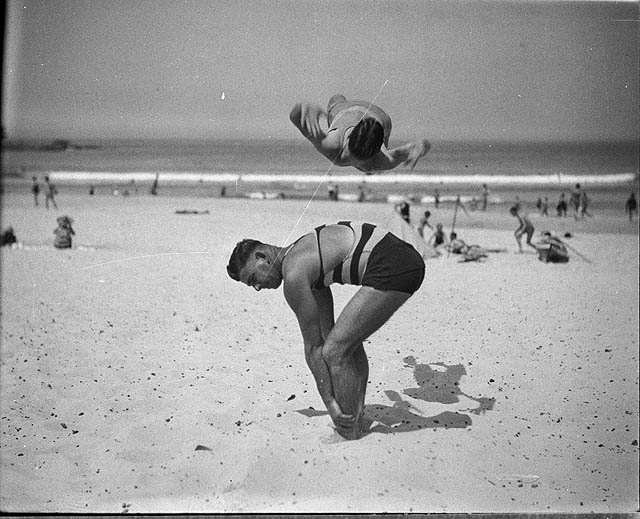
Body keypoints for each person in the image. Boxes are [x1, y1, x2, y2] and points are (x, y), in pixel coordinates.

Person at [226, 221, 425, 440]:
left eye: (254, 278)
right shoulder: (302, 255)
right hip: (403, 258)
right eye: (251, 285)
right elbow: (325, 334)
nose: (257, 287)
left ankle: (349, 432)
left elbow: (314, 349)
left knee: (336, 351)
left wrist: (330, 403)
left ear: (262, 256)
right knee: (345, 342)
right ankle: (357, 419)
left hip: (394, 264)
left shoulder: (294, 274)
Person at [289, 94, 431, 173]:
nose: (352, 162)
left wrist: (422, 146)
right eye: (352, 155)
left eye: (360, 160)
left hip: (380, 118)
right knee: (335, 100)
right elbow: (295, 117)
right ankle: (338, 100)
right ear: (348, 139)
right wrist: (302, 106)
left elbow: (416, 148)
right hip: (345, 110)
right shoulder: (332, 145)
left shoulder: (381, 160)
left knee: (369, 169)